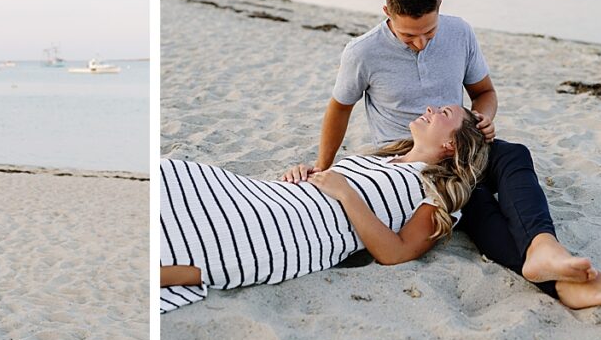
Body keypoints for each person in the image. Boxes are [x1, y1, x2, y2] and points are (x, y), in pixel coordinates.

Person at [283, 0, 601, 309]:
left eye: (429, 31)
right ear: (387, 13)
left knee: (514, 154)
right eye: (409, 36)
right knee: (474, 202)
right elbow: (339, 109)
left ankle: (545, 247)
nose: (421, 42)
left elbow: (484, 92)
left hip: (460, 140)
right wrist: (324, 168)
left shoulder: (460, 32)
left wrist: (484, 117)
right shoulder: (362, 52)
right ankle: (558, 283)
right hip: (411, 156)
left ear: (440, 4)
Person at [160, 105, 488, 313]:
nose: (431, 109)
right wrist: (302, 176)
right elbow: (332, 182)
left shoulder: (436, 192)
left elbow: (396, 254)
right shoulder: (383, 158)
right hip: (277, 197)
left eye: (444, 114)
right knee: (173, 173)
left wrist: (346, 194)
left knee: (202, 244)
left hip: (295, 231)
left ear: (451, 145)